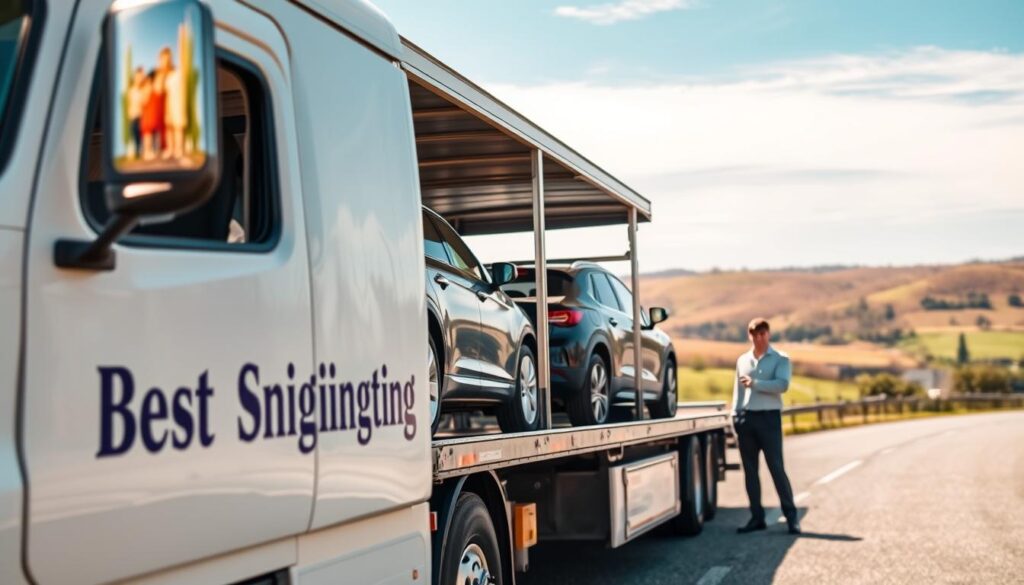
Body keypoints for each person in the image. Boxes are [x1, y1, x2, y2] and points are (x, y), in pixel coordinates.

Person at [732, 317, 800, 535]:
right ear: (750, 335)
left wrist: (756, 384)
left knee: (777, 469)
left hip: (769, 420)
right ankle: (756, 518)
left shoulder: (780, 359)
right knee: (750, 472)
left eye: (763, 334)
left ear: (768, 334)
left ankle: (792, 518)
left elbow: (782, 385)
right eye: (755, 334)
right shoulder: (742, 360)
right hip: (747, 419)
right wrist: (735, 415)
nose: (759, 338)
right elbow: (738, 391)